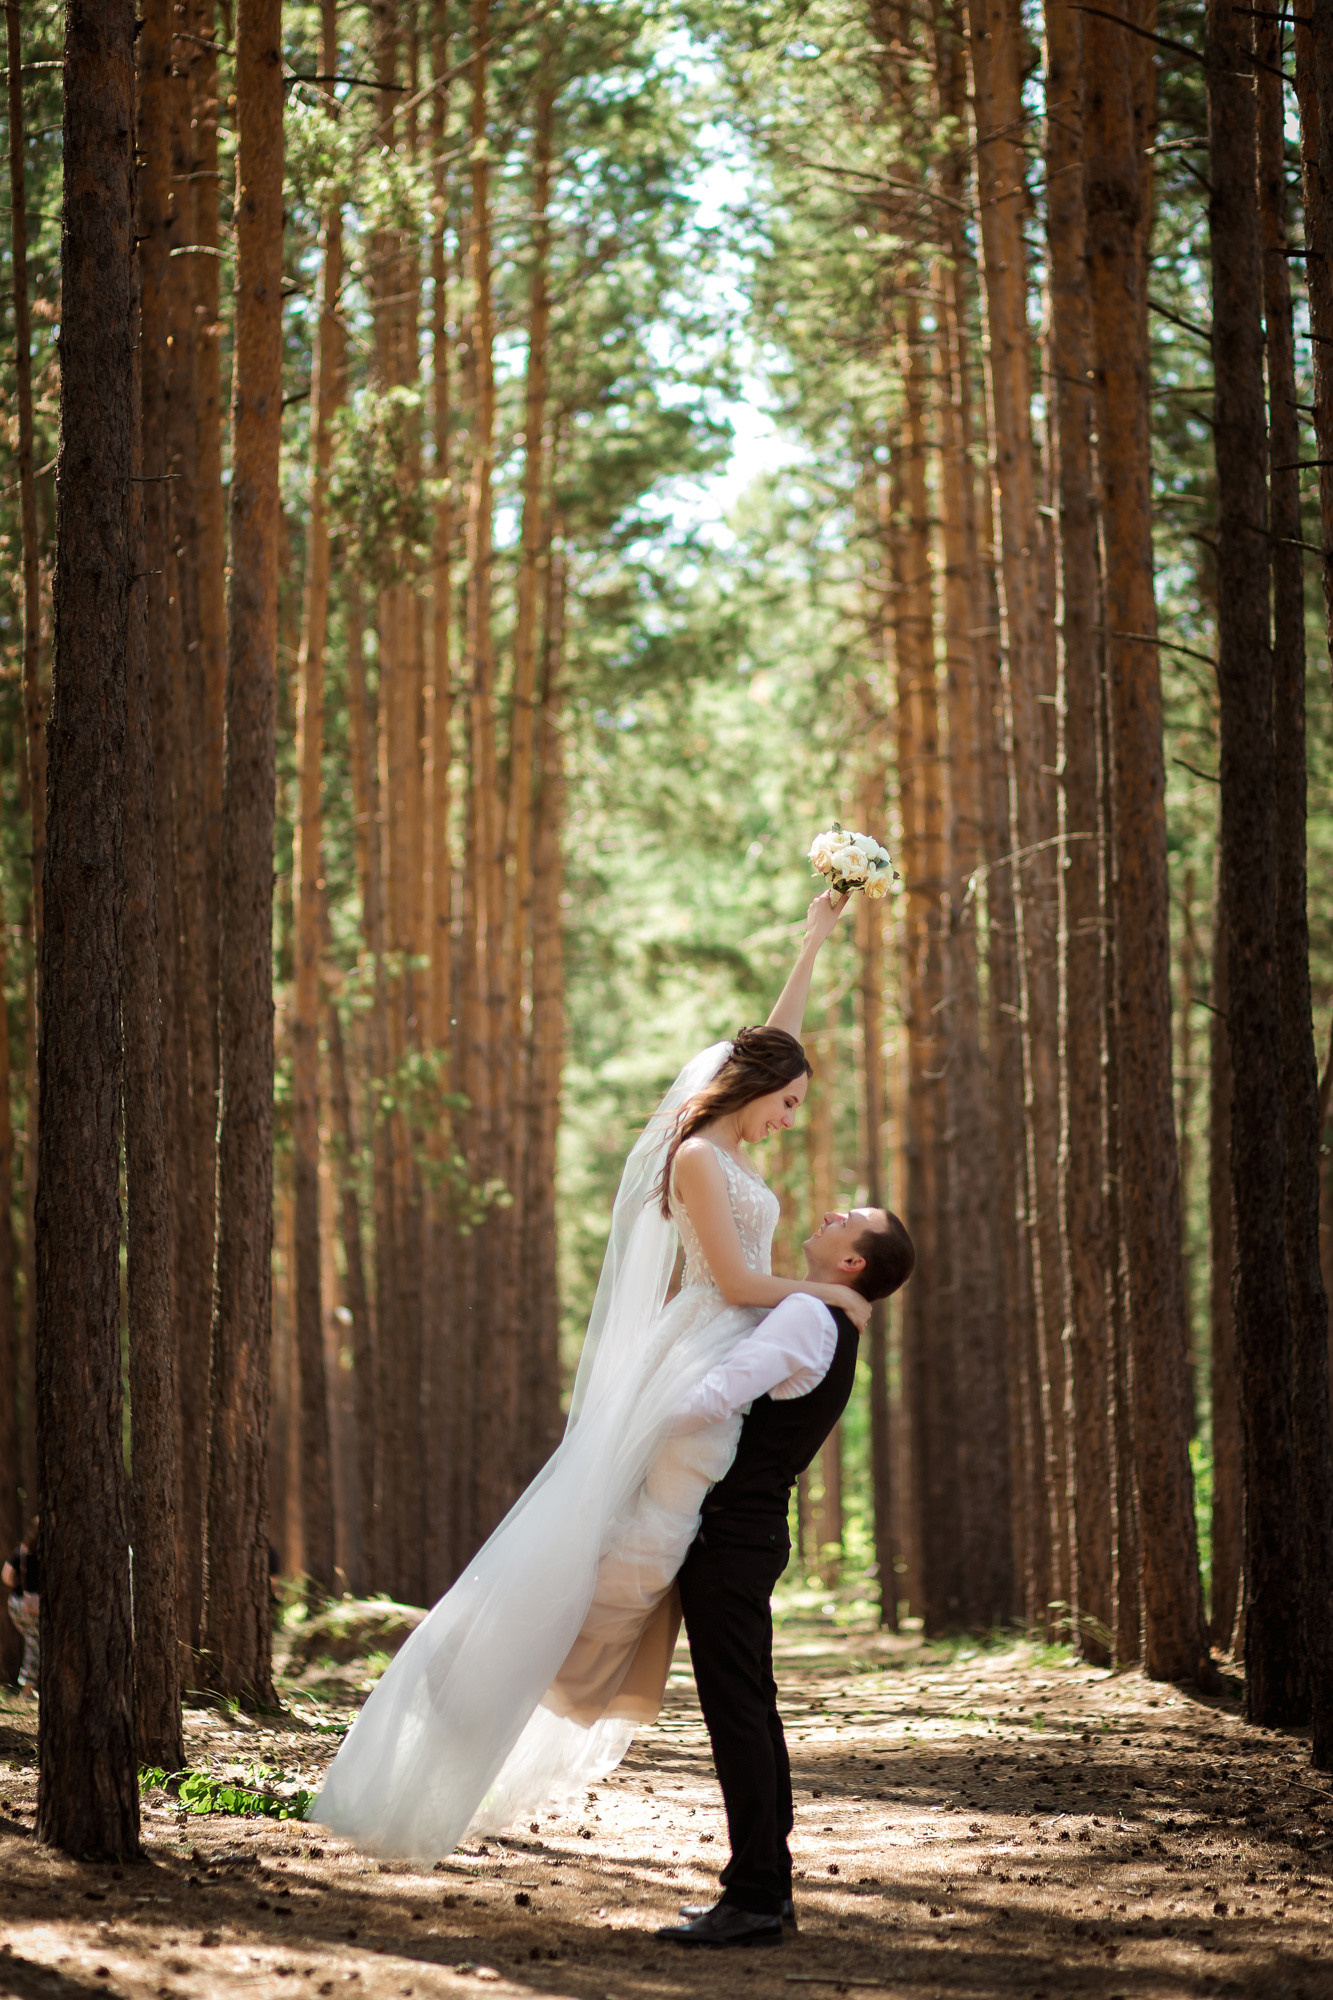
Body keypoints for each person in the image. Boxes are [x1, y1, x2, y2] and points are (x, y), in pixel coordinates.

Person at [311, 889, 863, 1861]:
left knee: (640, 1559)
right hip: (702, 1332)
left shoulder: (733, 1136)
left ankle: (560, 1664)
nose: (790, 1119)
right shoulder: (698, 1154)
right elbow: (733, 1278)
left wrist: (813, 936)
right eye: (788, 1102)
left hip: (717, 1342)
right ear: (753, 1091)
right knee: (617, 1558)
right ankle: (487, 1673)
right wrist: (825, 1298)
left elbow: (781, 1037)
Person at [657, 1207, 915, 1950]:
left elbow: (718, 1393)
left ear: (853, 1264)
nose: (832, 1212)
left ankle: (757, 1896)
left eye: (850, 1219)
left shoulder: (807, 1314)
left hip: (733, 1536)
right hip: (752, 1531)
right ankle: (765, 1885)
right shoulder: (823, 1316)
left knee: (737, 1713)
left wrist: (623, 1424)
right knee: (751, 1710)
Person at [3, 1516, 41, 1698]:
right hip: (36, 1607)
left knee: (33, 1641)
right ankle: (27, 1689)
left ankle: (30, 1687)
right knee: (34, 1644)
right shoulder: (51, 1554)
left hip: (17, 1604)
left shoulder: (21, 1552)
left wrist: (20, 1585)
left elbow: (6, 1576)